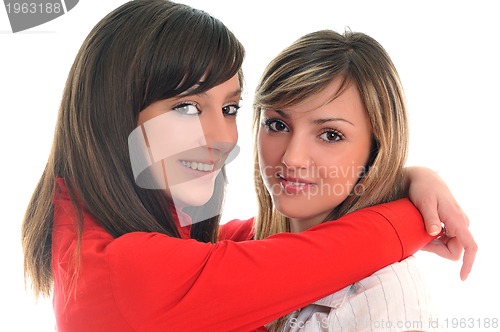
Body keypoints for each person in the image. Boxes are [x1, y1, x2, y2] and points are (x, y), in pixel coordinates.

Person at [20, 1, 476, 331]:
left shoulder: (97, 235)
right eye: (185, 107)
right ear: (112, 114)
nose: (222, 139)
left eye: (232, 109)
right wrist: (415, 213)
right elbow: (295, 260)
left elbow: (255, 247)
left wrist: (404, 177)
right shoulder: (127, 271)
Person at [252, 29, 457, 331]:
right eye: (277, 124)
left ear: (376, 150)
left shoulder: (384, 299)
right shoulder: (245, 246)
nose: (292, 158)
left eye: (330, 135)